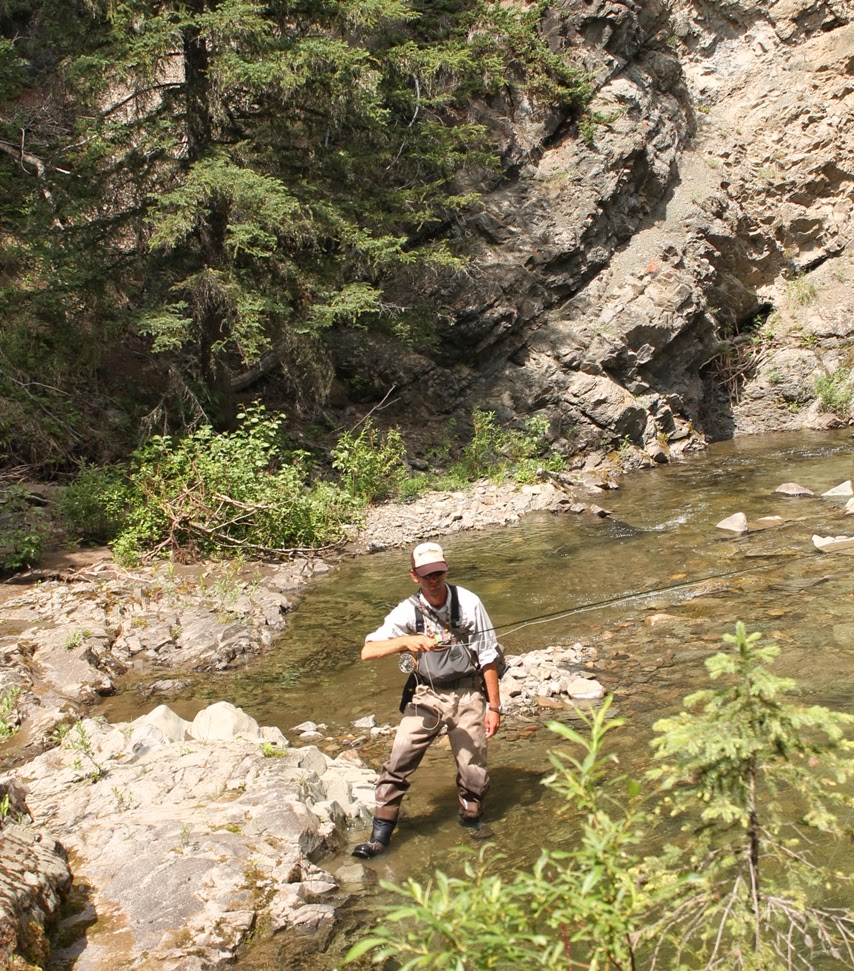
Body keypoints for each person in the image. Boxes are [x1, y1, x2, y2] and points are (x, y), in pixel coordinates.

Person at [352, 541, 502, 859]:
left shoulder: (469, 603)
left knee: (473, 768)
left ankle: (472, 821)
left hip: (468, 693)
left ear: (445, 571)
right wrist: (406, 641)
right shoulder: (407, 611)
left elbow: (489, 657)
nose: (433, 580)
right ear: (414, 576)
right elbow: (368, 651)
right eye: (426, 575)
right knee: (399, 759)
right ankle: (380, 836)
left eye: (438, 573)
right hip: (426, 694)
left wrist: (494, 707)